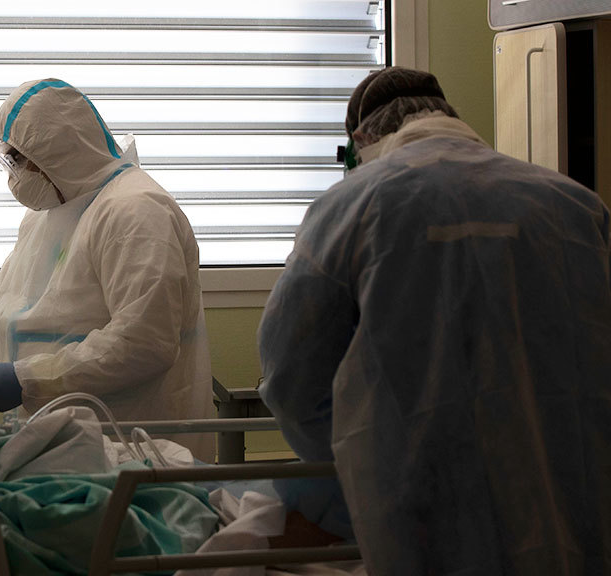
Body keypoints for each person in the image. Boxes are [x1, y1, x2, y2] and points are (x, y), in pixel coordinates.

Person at [258, 66, 611, 575]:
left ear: (362, 140)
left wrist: (357, 466)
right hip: (571, 499)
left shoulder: (353, 206)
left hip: (417, 505)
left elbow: (291, 379)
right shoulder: (576, 205)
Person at [0, 78, 216, 461]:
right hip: (61, 450)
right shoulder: (44, 217)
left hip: (139, 451)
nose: (13, 175)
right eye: (7, 160)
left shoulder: (137, 211)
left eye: (19, 160)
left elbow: (144, 342)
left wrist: (29, 379)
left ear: (59, 152)